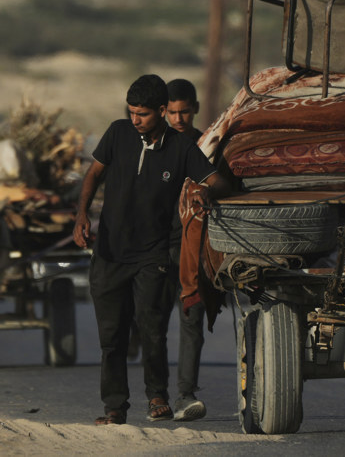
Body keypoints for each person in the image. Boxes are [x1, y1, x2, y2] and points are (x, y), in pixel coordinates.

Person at [73, 74, 231, 427]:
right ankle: (115, 408)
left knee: (152, 330)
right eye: (131, 112)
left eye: (142, 114)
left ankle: (157, 395)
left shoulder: (181, 148)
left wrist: (208, 192)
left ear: (161, 111)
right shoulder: (117, 133)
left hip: (153, 256)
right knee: (112, 338)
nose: (135, 120)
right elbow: (94, 174)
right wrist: (81, 214)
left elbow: (217, 180)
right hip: (110, 253)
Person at [163, 78, 209, 422]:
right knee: (150, 321)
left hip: (192, 247)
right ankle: (156, 396)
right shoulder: (152, 146)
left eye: (185, 112)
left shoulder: (205, 145)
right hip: (156, 247)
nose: (179, 119)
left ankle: (185, 394)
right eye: (173, 113)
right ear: (164, 111)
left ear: (194, 109)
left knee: (191, 319)